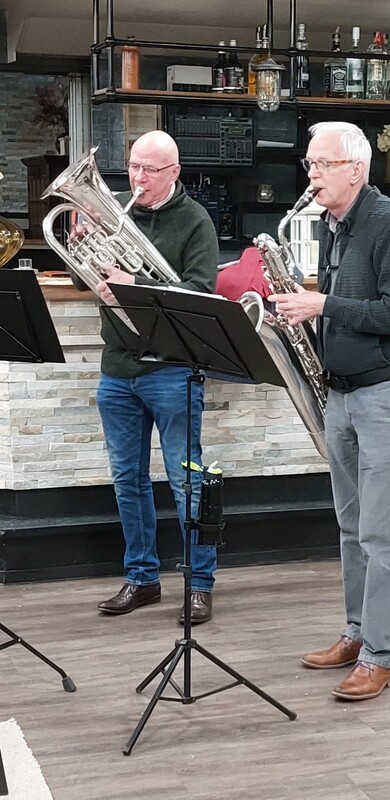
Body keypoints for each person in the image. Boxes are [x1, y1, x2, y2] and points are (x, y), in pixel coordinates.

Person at [271, 121, 390, 701]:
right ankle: (358, 634)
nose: (310, 175)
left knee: (382, 534)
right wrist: (306, 310)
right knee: (350, 526)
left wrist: (322, 303)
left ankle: (382, 657)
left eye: (320, 164)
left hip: (387, 392)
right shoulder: (334, 225)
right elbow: (350, 306)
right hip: (343, 392)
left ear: (354, 170)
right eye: (309, 164)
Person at [74, 130, 219, 624]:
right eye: (133, 167)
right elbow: (88, 281)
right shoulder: (118, 215)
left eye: (149, 170)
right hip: (117, 368)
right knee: (127, 480)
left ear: (173, 173)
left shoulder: (195, 222)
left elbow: (200, 292)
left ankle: (199, 584)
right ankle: (142, 577)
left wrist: (137, 283)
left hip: (171, 370)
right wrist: (82, 248)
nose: (137, 178)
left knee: (187, 481)